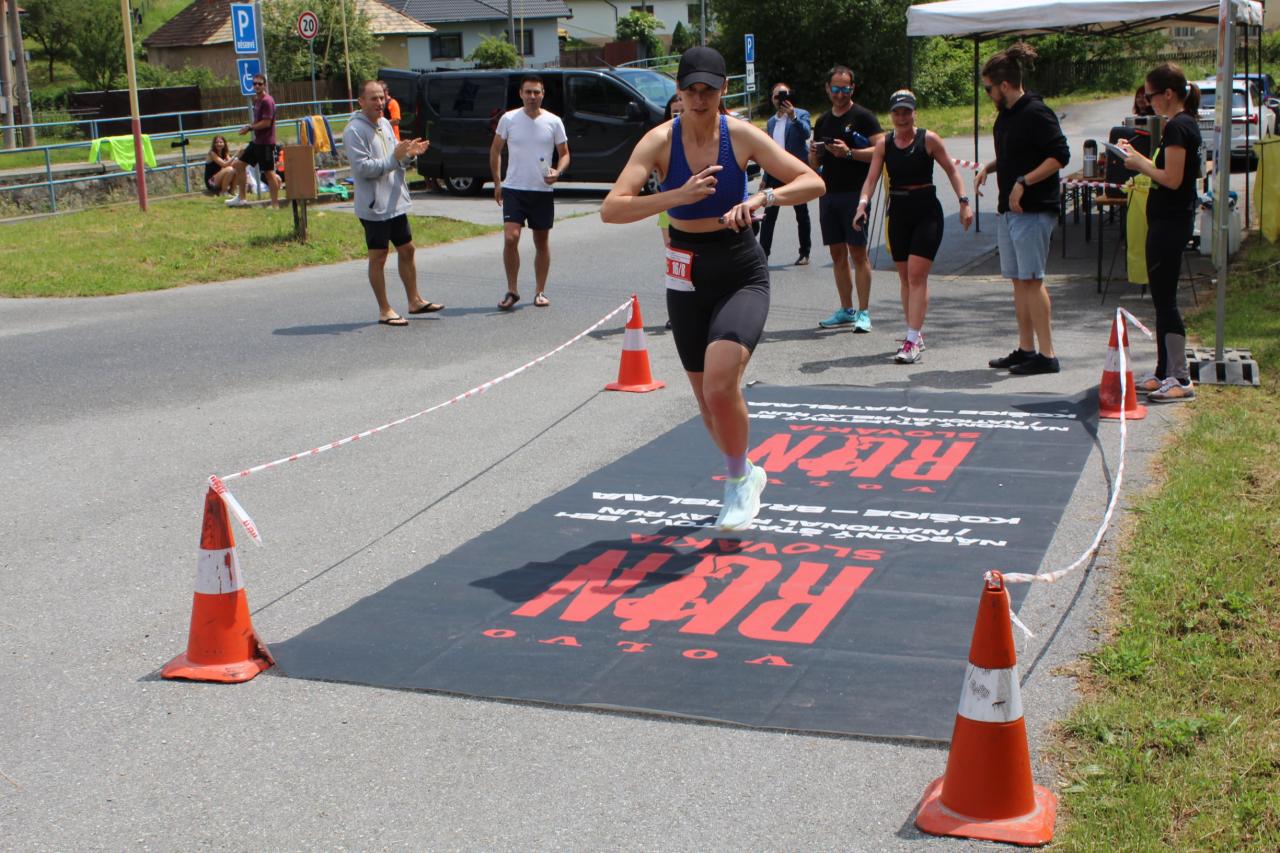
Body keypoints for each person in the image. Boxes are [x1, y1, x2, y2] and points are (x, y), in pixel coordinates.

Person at [600, 46, 825, 531]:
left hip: (739, 267)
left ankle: (737, 483)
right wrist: (675, 196)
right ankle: (746, 470)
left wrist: (764, 197)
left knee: (722, 386)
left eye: (709, 90)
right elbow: (612, 208)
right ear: (679, 92)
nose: (699, 99)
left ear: (724, 91)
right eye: (691, 90)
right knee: (707, 403)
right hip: (686, 274)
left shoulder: (739, 134)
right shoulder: (659, 141)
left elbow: (812, 182)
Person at [853, 90, 973, 364]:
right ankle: (915, 333)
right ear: (891, 115)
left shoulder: (928, 139)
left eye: (907, 112)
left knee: (917, 276)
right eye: (897, 112)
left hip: (926, 212)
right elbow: (871, 180)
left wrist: (964, 202)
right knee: (906, 278)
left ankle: (911, 340)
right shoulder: (884, 144)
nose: (902, 117)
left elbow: (952, 170)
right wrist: (862, 205)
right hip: (898, 212)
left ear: (914, 113)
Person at [974, 43, 1070, 375]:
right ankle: (1026, 348)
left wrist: (1024, 181)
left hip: (1034, 209)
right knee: (1018, 280)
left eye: (989, 88)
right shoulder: (1007, 115)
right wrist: (990, 167)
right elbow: (1017, 154)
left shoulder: (1036, 112)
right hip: (1010, 212)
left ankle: (1047, 354)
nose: (988, 94)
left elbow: (1059, 155)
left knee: (1032, 279)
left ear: (1004, 85)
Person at [1119, 63, 1202, 403]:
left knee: (1166, 300)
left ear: (1168, 94)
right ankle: (1163, 370)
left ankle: (1180, 376)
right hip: (1165, 221)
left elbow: (1172, 178)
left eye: (1150, 95)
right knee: (1160, 298)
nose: (1147, 102)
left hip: (1171, 222)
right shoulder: (1177, 125)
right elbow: (1163, 169)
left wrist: (1140, 164)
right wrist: (1137, 156)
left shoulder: (1179, 127)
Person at [342, 80, 441, 327]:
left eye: (382, 98)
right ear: (361, 101)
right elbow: (363, 168)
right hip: (374, 206)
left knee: (407, 250)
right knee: (379, 256)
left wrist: (408, 155)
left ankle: (414, 300)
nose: (380, 103)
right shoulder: (354, 130)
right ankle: (385, 309)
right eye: (373, 98)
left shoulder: (385, 123)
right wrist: (395, 159)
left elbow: (395, 160)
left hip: (394, 202)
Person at [809, 66, 883, 331]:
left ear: (853, 88)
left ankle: (864, 312)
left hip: (855, 193)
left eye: (845, 89)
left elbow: (881, 150)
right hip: (829, 194)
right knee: (837, 253)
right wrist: (814, 153)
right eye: (836, 89)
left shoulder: (864, 117)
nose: (840, 94)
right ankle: (846, 309)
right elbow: (814, 163)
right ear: (827, 89)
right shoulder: (822, 121)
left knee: (858, 253)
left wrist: (849, 153)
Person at [490, 74, 570, 310]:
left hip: (541, 190)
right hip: (514, 188)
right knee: (510, 237)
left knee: (541, 241)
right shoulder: (509, 119)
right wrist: (497, 182)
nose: (532, 96)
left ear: (543, 94)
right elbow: (495, 150)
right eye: (528, 92)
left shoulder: (554, 121)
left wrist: (558, 171)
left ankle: (540, 291)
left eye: (536, 92)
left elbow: (565, 154)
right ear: (521, 94)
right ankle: (512, 290)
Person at [759, 82, 813, 265]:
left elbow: (806, 134)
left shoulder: (801, 114)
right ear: (772, 99)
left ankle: (805, 252)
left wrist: (793, 116)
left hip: (795, 173)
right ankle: (763, 255)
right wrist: (765, 177)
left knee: (801, 213)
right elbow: (769, 152)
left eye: (783, 95)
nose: (780, 99)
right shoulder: (771, 122)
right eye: (776, 96)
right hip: (775, 173)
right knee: (769, 216)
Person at [226, 73, 282, 208]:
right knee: (239, 165)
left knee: (269, 173)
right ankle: (242, 198)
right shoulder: (257, 100)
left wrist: (250, 128)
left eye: (260, 84)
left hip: (266, 144)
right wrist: (249, 127)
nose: (257, 86)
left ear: (265, 85)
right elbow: (258, 121)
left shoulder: (267, 101)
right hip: (257, 142)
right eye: (254, 84)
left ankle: (275, 204)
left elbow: (267, 123)